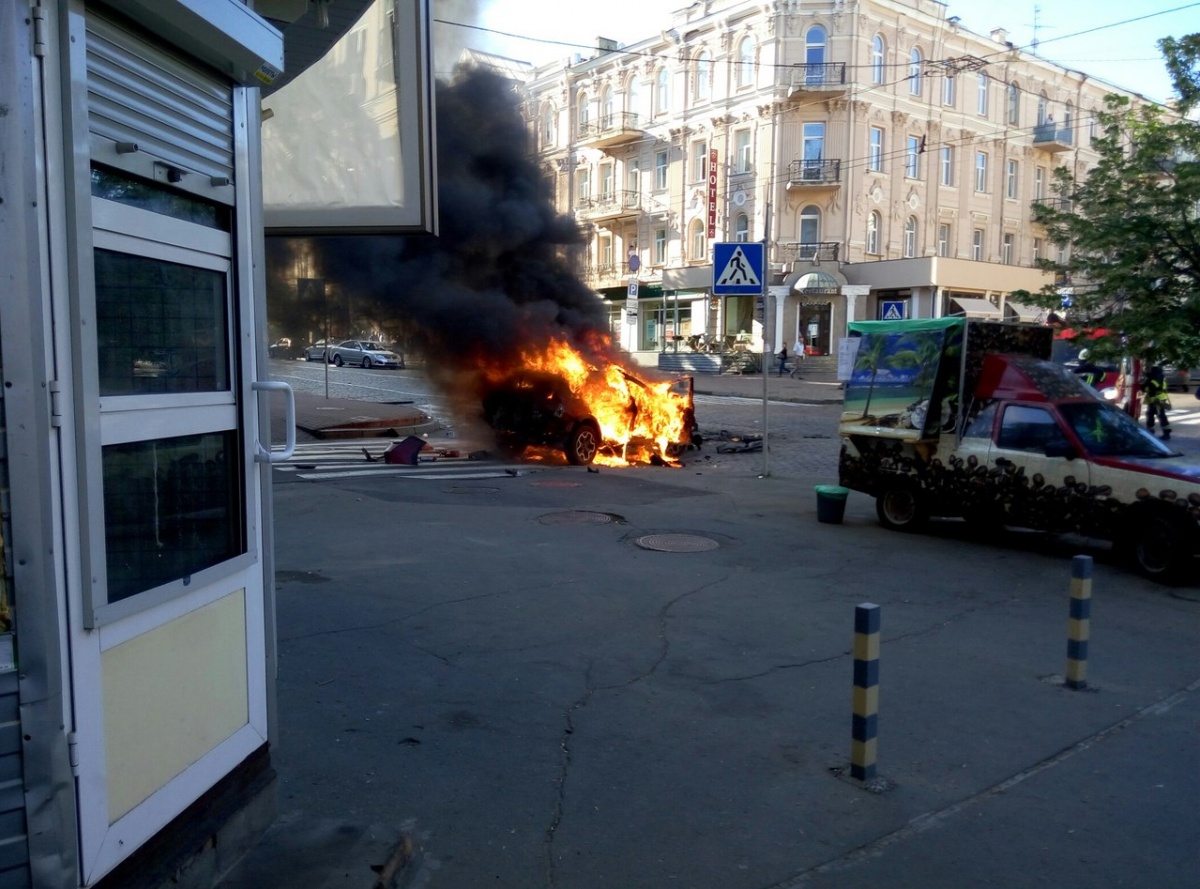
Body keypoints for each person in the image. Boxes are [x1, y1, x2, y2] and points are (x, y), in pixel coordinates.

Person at [1142, 365, 1171, 440]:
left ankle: (1165, 433)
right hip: (1159, 398)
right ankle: (1164, 432)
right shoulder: (1159, 377)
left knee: (1158, 415)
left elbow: (1151, 388)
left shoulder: (1154, 379)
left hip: (1156, 400)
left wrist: (1142, 387)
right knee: (1153, 415)